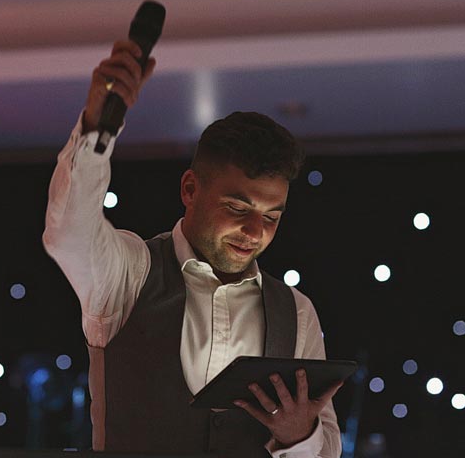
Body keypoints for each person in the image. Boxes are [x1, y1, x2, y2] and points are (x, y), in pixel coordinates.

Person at [43, 40, 343, 457]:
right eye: (237, 208)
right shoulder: (131, 274)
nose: (254, 231)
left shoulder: (296, 311)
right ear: (189, 189)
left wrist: (299, 439)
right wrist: (99, 125)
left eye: (271, 216)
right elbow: (67, 234)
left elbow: (327, 452)